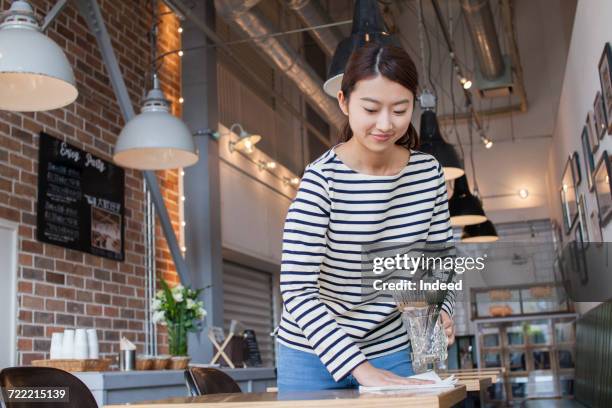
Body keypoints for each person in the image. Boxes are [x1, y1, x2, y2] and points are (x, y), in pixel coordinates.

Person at [275, 43, 455, 391]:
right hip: (312, 353)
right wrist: (360, 368)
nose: (385, 124)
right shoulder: (322, 180)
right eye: (371, 109)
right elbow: (297, 290)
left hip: (390, 347)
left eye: (400, 110)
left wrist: (442, 309)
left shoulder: (428, 174)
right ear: (344, 102)